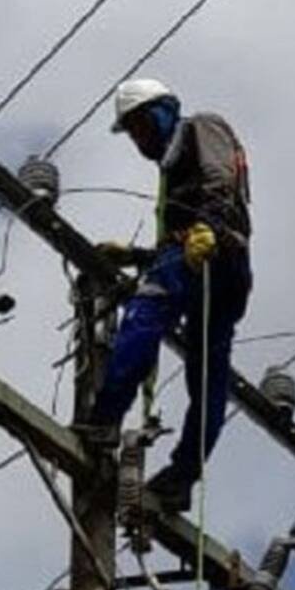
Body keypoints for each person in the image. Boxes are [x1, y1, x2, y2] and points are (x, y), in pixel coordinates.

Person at [88, 78, 252, 512]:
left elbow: (221, 181)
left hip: (214, 252)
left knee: (145, 314)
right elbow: (176, 241)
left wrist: (208, 228)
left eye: (140, 126)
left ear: (162, 112)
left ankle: (104, 420)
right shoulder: (171, 170)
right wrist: (138, 255)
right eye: (132, 133)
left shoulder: (201, 127)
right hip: (209, 258)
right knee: (207, 373)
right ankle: (180, 480)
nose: (139, 139)